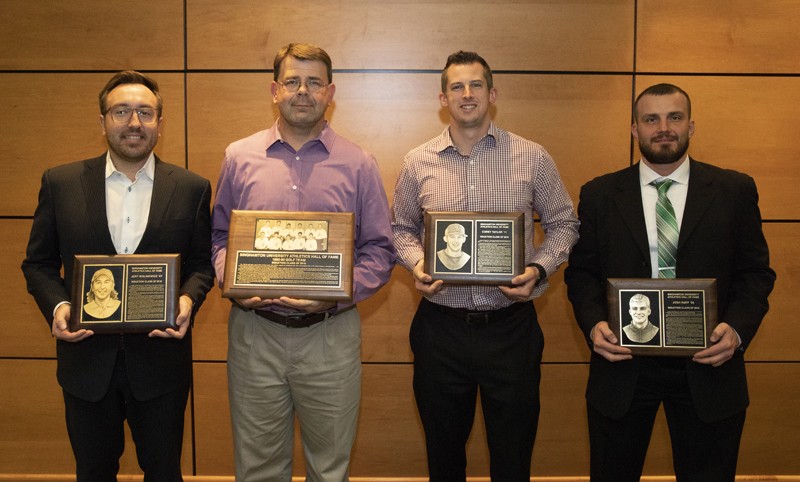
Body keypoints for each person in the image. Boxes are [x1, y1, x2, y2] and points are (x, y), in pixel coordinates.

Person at [564, 83, 776, 482]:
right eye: (651, 119)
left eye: (674, 117)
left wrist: (737, 330)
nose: (664, 128)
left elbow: (756, 274)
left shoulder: (734, 190)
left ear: (691, 126)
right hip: (623, 365)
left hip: (709, 364)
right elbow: (582, 275)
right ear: (634, 129)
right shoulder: (600, 194)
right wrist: (594, 327)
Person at [211, 43, 395, 481]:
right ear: (275, 90)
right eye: (292, 81)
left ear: (330, 92)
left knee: (329, 468)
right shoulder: (239, 157)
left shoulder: (359, 163)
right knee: (257, 469)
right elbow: (219, 238)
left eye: (314, 83)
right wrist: (233, 280)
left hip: (329, 336)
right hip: (254, 334)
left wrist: (333, 296)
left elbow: (380, 251)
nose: (303, 91)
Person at [392, 51, 579, 481]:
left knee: (513, 458)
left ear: (492, 94)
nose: (467, 94)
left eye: (476, 85)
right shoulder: (417, 161)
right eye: (457, 87)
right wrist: (419, 263)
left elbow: (564, 224)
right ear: (443, 98)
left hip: (511, 329)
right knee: (443, 456)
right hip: (441, 330)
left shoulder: (532, 156)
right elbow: (399, 227)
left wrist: (538, 270)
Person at [21, 70, 214, 482]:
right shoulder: (62, 183)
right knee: (93, 472)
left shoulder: (192, 188)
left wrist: (186, 301)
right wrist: (58, 306)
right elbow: (37, 264)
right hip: (86, 363)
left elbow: (201, 266)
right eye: (121, 111)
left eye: (145, 112)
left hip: (161, 365)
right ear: (103, 121)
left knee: (164, 472)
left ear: (160, 123)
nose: (134, 122)